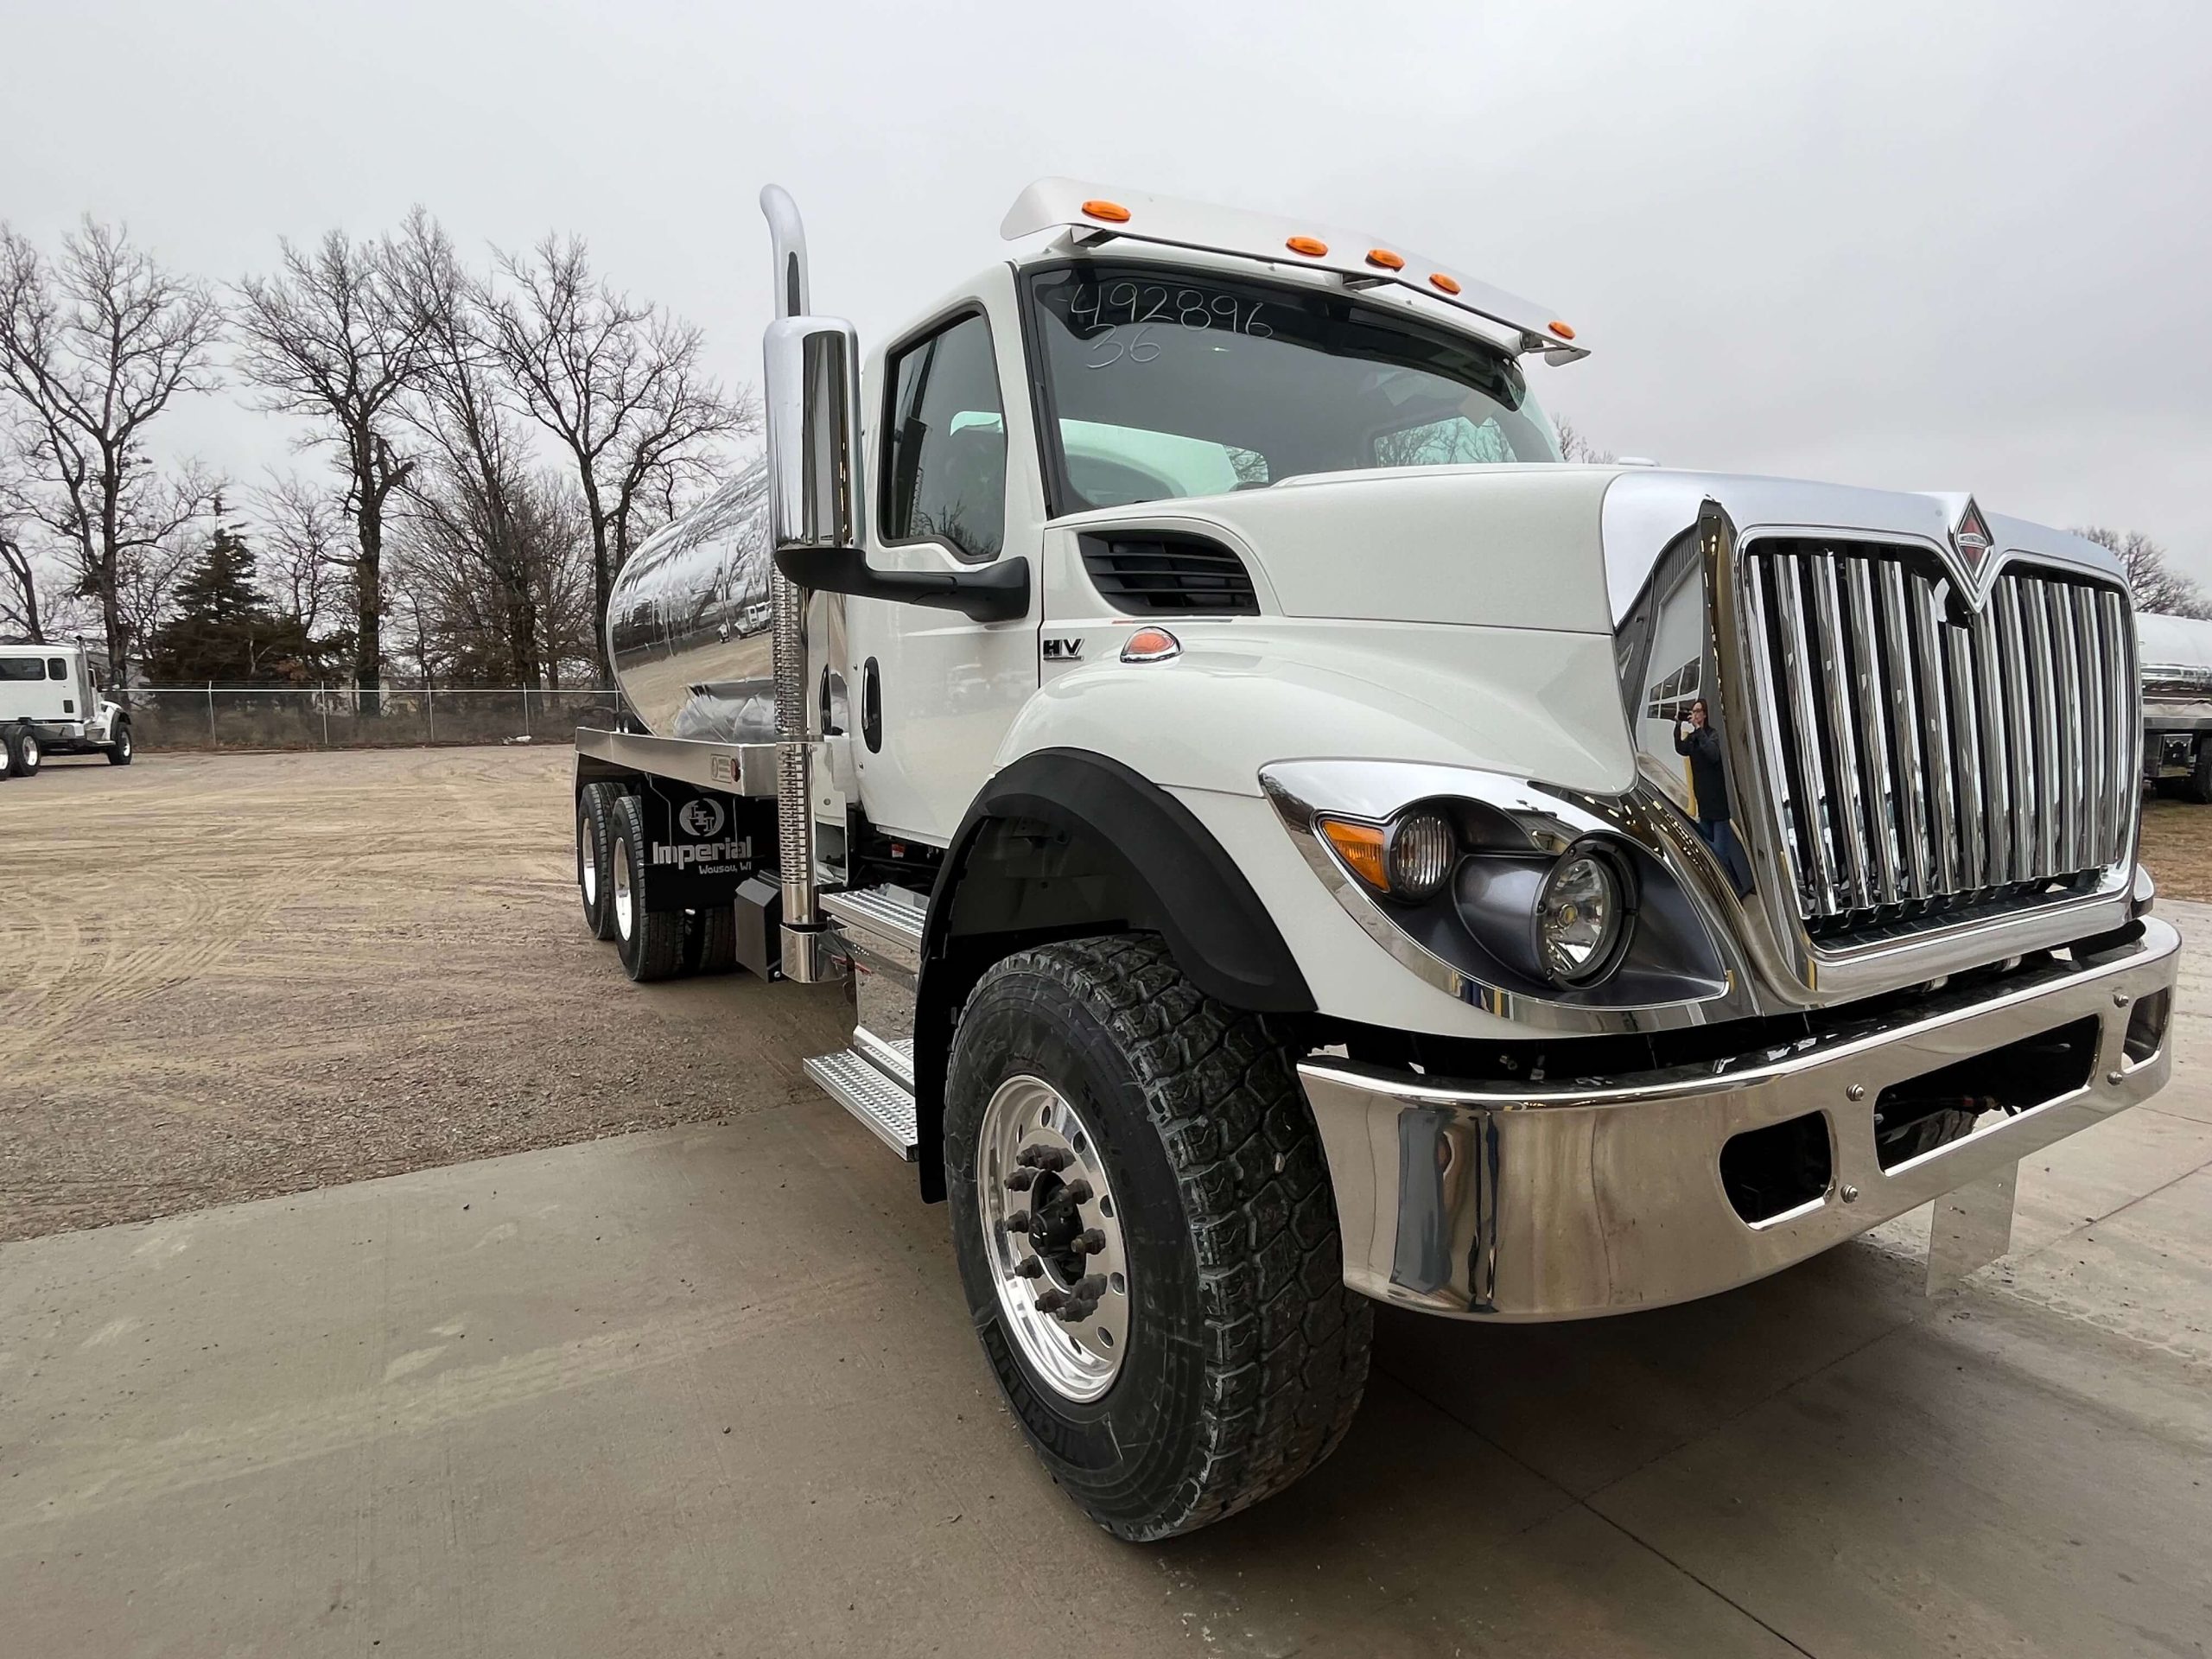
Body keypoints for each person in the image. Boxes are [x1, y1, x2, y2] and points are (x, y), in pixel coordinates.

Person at [1674, 698, 1752, 892]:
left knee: (1719, 853)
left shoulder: (1711, 735)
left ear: (1705, 714)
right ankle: (1730, 887)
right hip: (1704, 804)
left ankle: (1735, 888)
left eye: (1699, 711)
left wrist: (1699, 730)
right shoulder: (1693, 738)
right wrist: (1677, 726)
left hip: (1718, 805)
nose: (1696, 715)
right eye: (1693, 712)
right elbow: (1681, 749)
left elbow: (1713, 754)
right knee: (1708, 850)